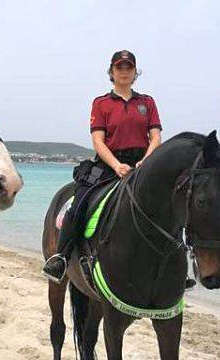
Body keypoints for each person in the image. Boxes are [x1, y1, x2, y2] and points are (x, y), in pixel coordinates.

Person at [42, 50, 162, 283]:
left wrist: (145, 161)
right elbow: (98, 141)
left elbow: (155, 137)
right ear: (112, 72)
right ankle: (62, 257)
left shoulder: (147, 102)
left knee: (172, 203)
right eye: (120, 68)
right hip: (110, 163)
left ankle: (177, 265)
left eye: (129, 68)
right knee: (79, 202)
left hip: (143, 163)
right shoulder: (101, 103)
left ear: (135, 72)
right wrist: (117, 166)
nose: (124, 72)